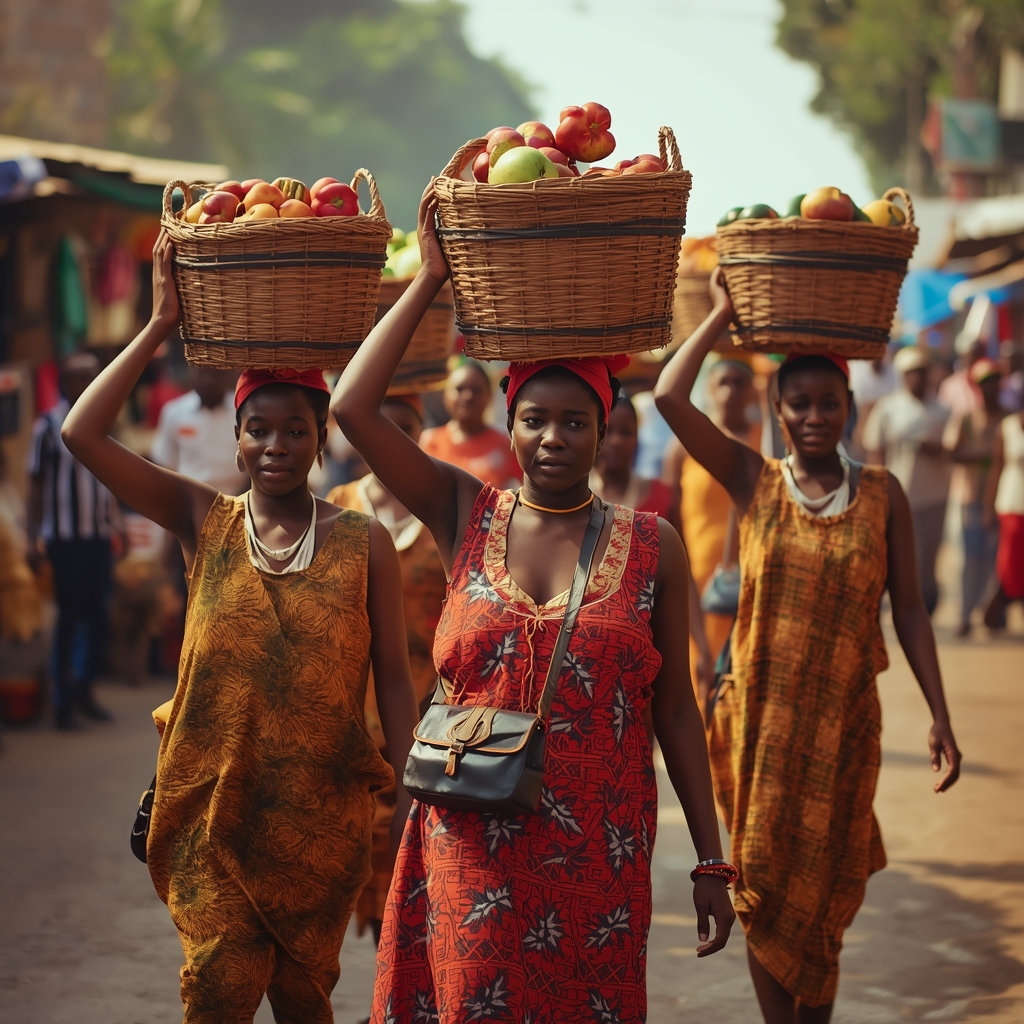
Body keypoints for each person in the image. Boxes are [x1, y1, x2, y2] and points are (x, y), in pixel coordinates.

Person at [332, 184, 734, 1022]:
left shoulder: (652, 544)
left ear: (605, 430)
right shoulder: (463, 510)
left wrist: (710, 858)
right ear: (510, 425)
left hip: (599, 855)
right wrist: (430, 278)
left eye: (575, 422)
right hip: (469, 837)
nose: (554, 438)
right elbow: (351, 407)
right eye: (535, 419)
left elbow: (675, 711)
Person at [60, 231, 418, 1024]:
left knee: (304, 1001)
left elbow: (394, 680)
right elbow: (81, 433)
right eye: (258, 428)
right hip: (212, 815)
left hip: (320, 821)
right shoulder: (203, 518)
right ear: (236, 436)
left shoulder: (365, 543)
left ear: (321, 437)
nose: (275, 446)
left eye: (295, 430)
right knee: (218, 989)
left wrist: (411, 795)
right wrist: (159, 324)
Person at [653, 269, 961, 1024]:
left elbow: (910, 610)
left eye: (829, 402)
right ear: (778, 410)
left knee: (824, 893)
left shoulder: (883, 495)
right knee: (760, 882)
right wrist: (721, 315)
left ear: (851, 406)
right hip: (759, 725)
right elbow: (668, 397)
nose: (815, 416)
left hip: (843, 726)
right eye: (800, 403)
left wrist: (940, 715)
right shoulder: (752, 480)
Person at [326, 392, 448, 949]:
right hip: (355, 701)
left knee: (418, 838)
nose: (391, 438)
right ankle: (388, 968)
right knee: (367, 842)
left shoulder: (440, 511)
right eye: (381, 425)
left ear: (421, 434)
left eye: (405, 427)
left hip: (430, 700)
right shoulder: (340, 505)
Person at [27, 351, 122, 730]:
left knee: (98, 613)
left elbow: (111, 477)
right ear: (65, 382)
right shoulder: (47, 427)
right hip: (63, 539)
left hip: (97, 534)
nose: (88, 383)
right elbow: (35, 486)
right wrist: (31, 539)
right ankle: (62, 701)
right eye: (80, 377)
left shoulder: (107, 421)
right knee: (68, 616)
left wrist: (117, 525)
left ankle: (85, 690)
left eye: (93, 376)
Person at [662, 357, 760, 705]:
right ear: (709, 388)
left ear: (752, 391)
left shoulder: (765, 443)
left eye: (739, 382)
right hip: (697, 579)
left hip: (755, 576)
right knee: (700, 676)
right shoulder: (683, 446)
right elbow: (670, 514)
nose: (731, 391)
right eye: (723, 382)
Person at [863, 345, 952, 615]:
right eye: (913, 372)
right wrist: (876, 492)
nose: (918, 378)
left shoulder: (943, 411)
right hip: (898, 496)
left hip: (934, 496)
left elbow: (954, 449)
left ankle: (925, 604)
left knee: (927, 557)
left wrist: (937, 449)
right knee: (898, 555)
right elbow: (875, 449)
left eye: (922, 372)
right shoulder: (889, 408)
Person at [945, 359, 1004, 635]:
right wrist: (986, 453)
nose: (989, 388)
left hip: (1002, 498)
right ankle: (966, 613)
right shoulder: (966, 417)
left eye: (993, 382)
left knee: (997, 558)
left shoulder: (1009, 418)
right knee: (971, 557)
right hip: (970, 496)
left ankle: (993, 612)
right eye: (984, 383)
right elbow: (952, 452)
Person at [419, 358, 522, 488]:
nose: (468, 396)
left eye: (476, 390)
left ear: (490, 395)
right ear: (445, 395)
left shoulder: (507, 444)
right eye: (459, 389)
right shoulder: (430, 441)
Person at [151, 366, 247, 496]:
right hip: (189, 499)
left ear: (230, 374)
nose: (208, 381)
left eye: (216, 373)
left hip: (238, 497)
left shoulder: (244, 412)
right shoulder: (174, 412)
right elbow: (165, 463)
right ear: (191, 372)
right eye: (202, 372)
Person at [983, 403, 1024, 629]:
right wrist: (988, 506)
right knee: (1009, 564)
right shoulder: (1007, 427)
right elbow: (996, 467)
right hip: (1012, 504)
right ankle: (998, 607)